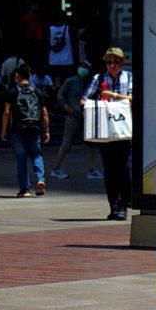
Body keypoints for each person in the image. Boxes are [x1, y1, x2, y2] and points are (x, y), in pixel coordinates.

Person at [81, 47, 133, 220]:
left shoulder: (129, 78)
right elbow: (84, 99)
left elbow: (135, 98)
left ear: (122, 62)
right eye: (109, 62)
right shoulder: (99, 78)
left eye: (116, 61)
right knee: (110, 169)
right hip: (105, 130)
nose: (112, 65)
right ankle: (115, 206)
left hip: (123, 129)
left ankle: (124, 202)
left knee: (123, 168)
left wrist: (113, 96)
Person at [1, 64, 50, 198]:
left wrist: (3, 130)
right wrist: (46, 130)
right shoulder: (37, 91)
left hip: (18, 130)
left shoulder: (12, 91)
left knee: (21, 160)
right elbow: (44, 113)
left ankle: (25, 189)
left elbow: (6, 112)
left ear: (17, 75)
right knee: (37, 155)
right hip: (34, 129)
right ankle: (40, 179)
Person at [51, 61, 100, 180]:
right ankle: (56, 168)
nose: (83, 69)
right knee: (66, 144)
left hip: (86, 116)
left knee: (90, 144)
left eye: (86, 67)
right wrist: (66, 108)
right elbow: (60, 95)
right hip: (72, 116)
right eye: (81, 66)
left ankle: (92, 169)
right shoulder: (71, 81)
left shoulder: (90, 83)